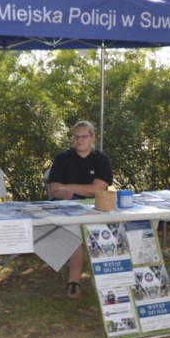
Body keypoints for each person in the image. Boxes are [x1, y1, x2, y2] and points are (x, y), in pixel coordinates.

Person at [48, 121, 112, 299]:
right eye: (76, 136)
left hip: (96, 208)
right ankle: (74, 283)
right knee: (76, 235)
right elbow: (55, 189)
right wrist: (66, 191)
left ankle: (112, 279)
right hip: (65, 208)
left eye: (84, 136)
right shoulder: (63, 158)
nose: (79, 140)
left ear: (92, 138)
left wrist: (69, 187)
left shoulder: (101, 160)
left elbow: (97, 189)